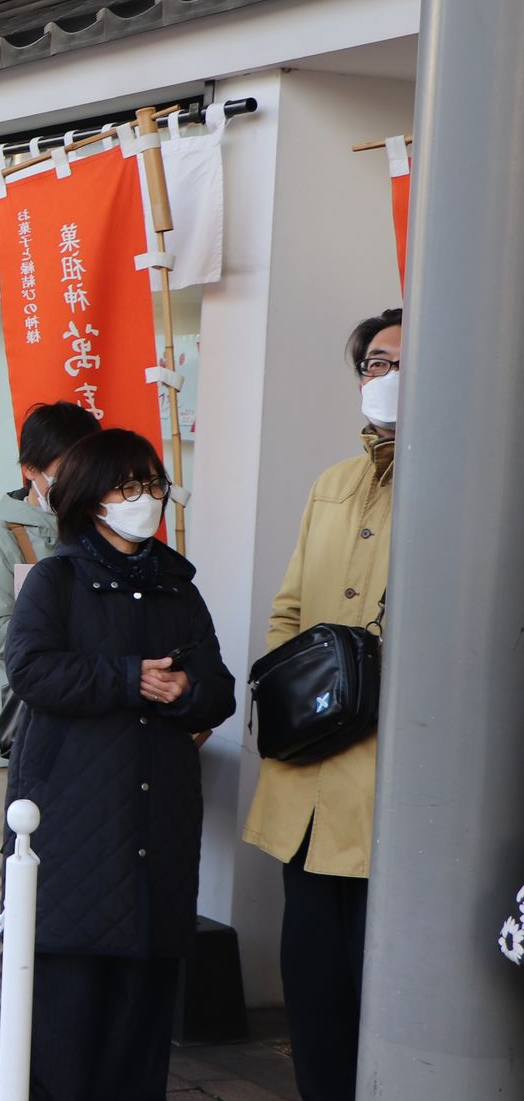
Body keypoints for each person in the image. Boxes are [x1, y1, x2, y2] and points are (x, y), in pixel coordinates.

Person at [6, 428, 234, 1097]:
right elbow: (32, 669)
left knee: (143, 1020)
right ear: (90, 497)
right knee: (68, 1023)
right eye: (127, 487)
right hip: (75, 823)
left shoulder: (176, 585)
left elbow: (217, 685)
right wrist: (129, 677)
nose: (144, 500)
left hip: (157, 821)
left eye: (152, 485)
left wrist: (186, 688)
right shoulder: (58, 578)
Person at [243, 308, 399, 1101]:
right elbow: (289, 609)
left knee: (385, 987)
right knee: (312, 987)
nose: (386, 375)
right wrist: (280, 704)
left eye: (403, 361)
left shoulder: (469, 479)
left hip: (391, 794)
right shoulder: (332, 483)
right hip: (307, 780)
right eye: (374, 362)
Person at [0, 399, 101, 1062]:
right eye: (67, 469)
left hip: (87, 729)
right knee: (4, 862)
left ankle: (45, 993)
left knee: (67, 865)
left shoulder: (98, 533)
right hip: (16, 732)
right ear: (32, 471)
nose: (81, 481)